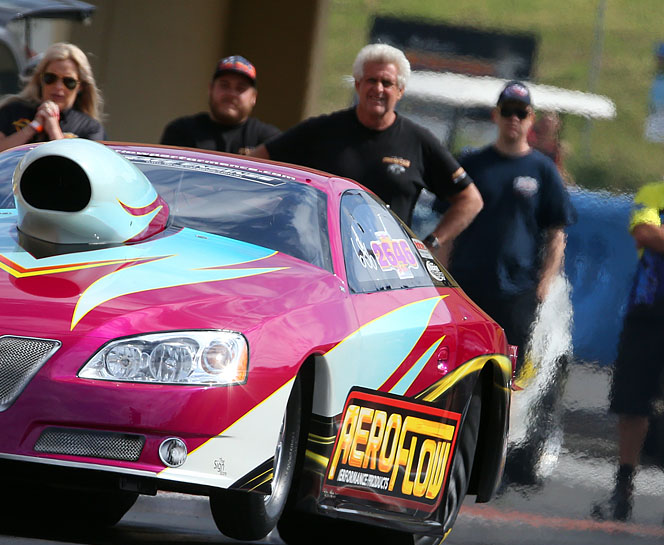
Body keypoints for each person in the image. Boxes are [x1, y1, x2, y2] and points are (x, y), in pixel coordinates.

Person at [251, 43, 482, 251]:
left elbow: (470, 200)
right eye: (371, 80)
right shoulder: (321, 130)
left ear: (400, 91)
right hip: (323, 259)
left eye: (387, 83)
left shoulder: (419, 141)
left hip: (387, 268)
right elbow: (256, 163)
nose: (378, 89)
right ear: (358, 84)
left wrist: (429, 245)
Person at [442, 82, 574, 356]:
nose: (514, 118)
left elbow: (556, 234)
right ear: (496, 115)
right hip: (467, 286)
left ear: (531, 118)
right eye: (507, 111)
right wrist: (442, 278)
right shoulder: (471, 164)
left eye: (521, 112)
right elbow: (448, 225)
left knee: (508, 369)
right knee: (460, 364)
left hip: (518, 291)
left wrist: (544, 284)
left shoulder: (543, 170)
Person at [592, 181, 664, 521]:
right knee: (631, 404)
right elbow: (645, 233)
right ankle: (623, 492)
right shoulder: (653, 193)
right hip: (647, 312)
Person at [0, 42, 104, 163]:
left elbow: (81, 169)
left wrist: (53, 130)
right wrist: (33, 127)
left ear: (80, 86)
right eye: (50, 78)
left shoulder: (90, 127)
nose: (58, 87)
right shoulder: (13, 110)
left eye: (69, 82)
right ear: (40, 79)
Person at [159, 55, 279, 155]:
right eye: (224, 85)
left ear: (254, 97)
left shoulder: (268, 140)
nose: (231, 94)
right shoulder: (181, 131)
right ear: (210, 89)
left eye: (240, 88)